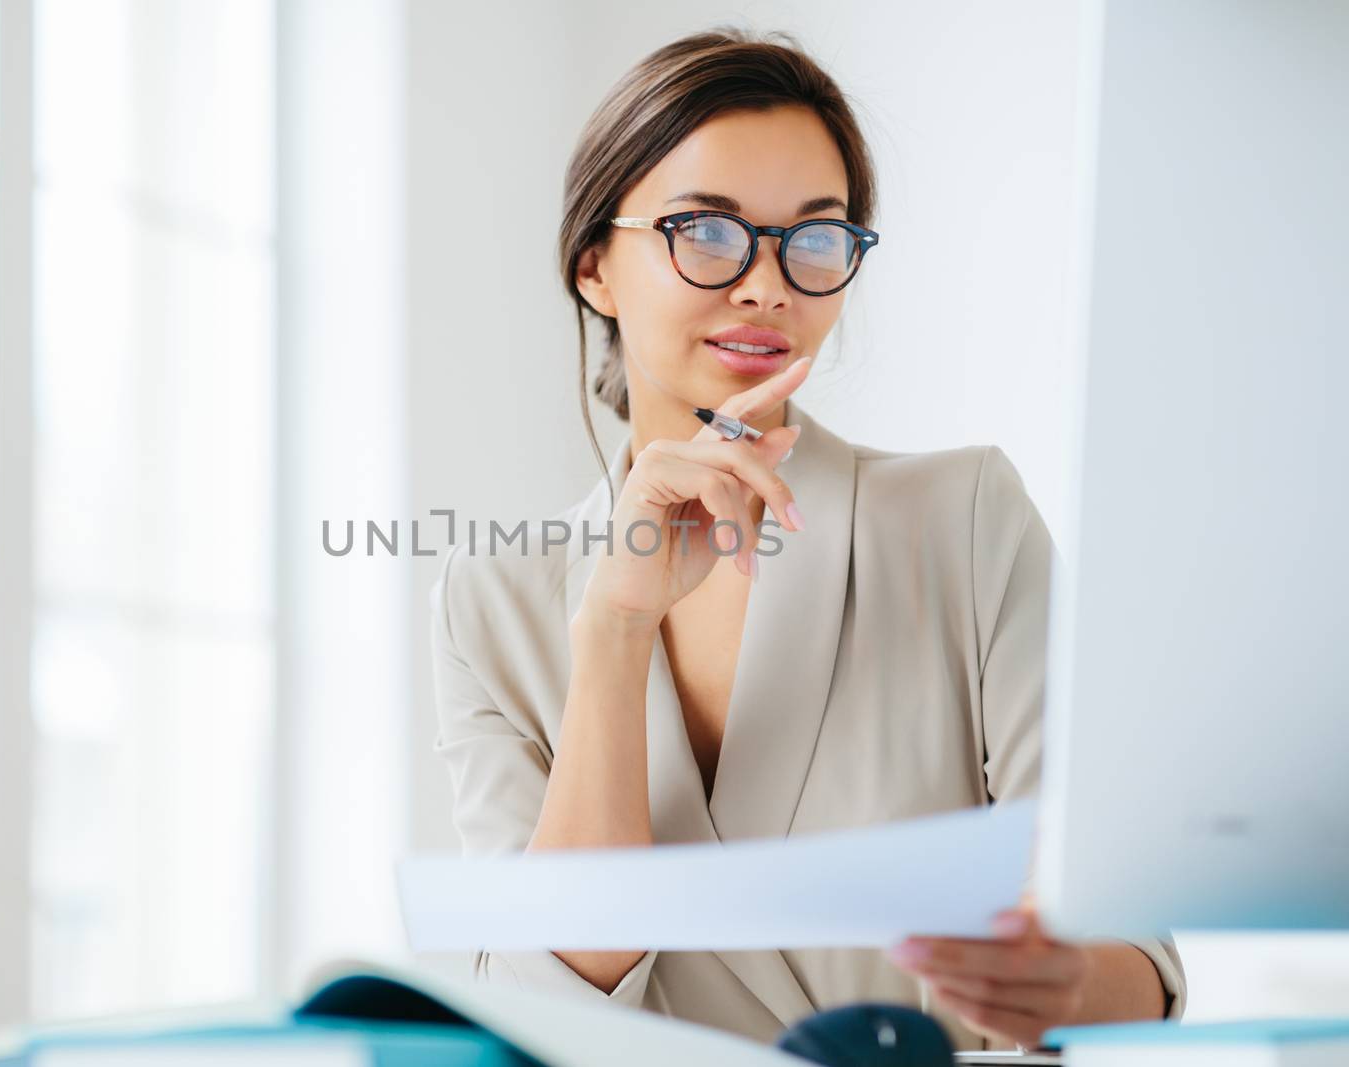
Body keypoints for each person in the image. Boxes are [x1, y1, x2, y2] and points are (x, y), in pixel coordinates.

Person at [427, 26, 1185, 1053]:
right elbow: (541, 1001)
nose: (767, 284)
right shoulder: (496, 598)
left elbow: (1136, 953)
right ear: (595, 265)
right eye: (705, 230)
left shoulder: (960, 519)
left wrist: (1053, 981)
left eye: (815, 237)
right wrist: (612, 627)